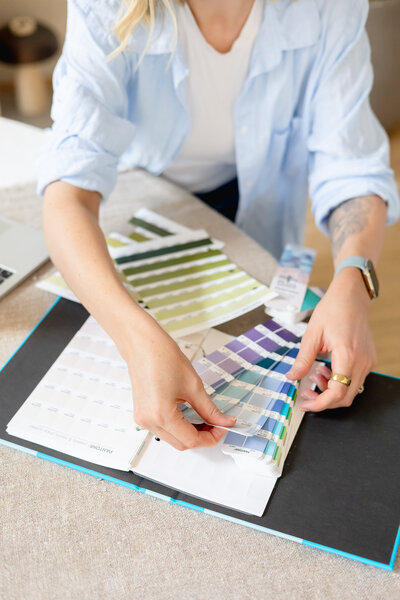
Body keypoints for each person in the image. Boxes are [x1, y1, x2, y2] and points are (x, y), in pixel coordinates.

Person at [38, 0, 399, 451]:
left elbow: (352, 168)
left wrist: (354, 279)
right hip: (143, 205)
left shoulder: (330, 8)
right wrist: (135, 339)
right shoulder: (105, 6)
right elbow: (67, 191)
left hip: (261, 210)